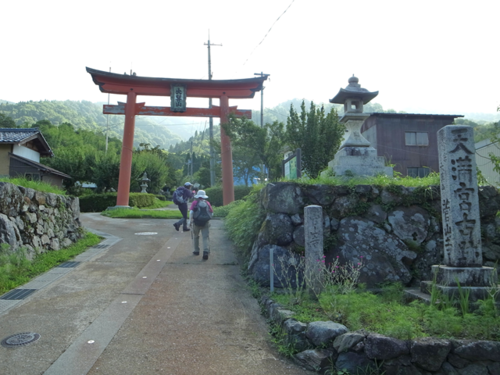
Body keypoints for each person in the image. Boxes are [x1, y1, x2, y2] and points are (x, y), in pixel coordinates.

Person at [189, 190, 213, 260]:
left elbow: (191, 212)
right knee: (205, 237)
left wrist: (190, 221)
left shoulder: (195, 202)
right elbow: (211, 213)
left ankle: (196, 251)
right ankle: (205, 251)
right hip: (205, 222)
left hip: (196, 222)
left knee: (196, 236)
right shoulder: (207, 203)